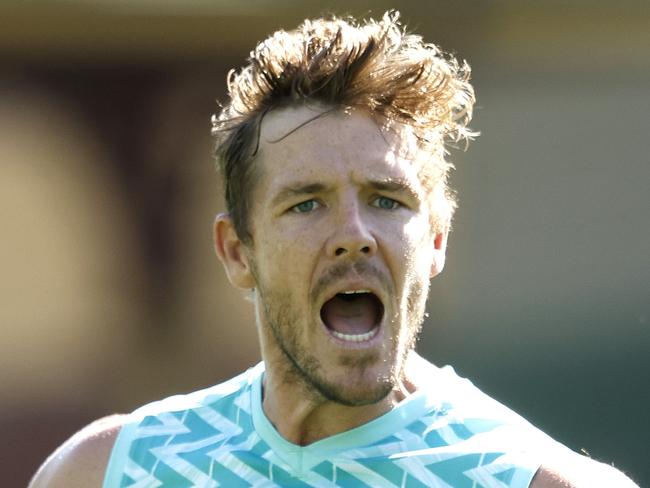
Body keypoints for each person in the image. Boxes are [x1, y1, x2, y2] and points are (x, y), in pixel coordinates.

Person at [31, 11, 637, 488]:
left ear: (434, 242)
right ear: (237, 252)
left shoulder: (535, 482)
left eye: (386, 200)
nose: (354, 233)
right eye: (306, 203)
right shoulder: (108, 474)